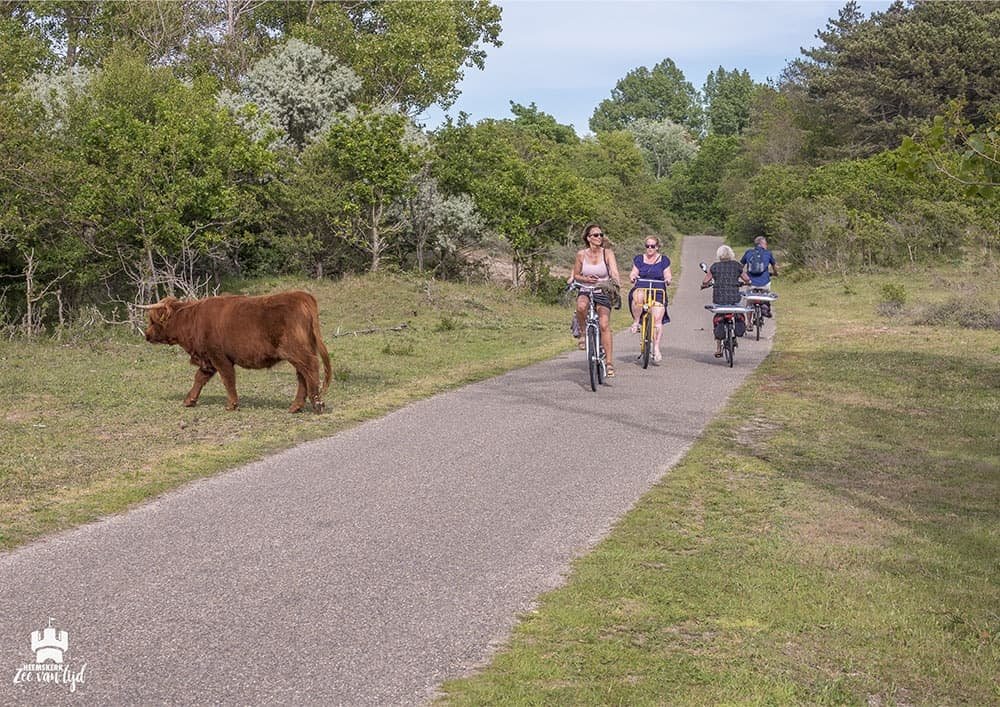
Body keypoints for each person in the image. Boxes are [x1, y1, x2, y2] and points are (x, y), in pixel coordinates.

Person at [572, 223, 622, 377]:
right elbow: (576, 275)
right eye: (595, 235)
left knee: (604, 324)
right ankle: (582, 333)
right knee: (581, 306)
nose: (599, 237)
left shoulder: (607, 253)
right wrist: (585, 278)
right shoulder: (581, 254)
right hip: (586, 288)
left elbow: (613, 271)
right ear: (588, 238)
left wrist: (616, 283)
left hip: (603, 289)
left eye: (601, 234)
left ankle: (609, 362)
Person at [627, 236, 672, 364]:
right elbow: (633, 272)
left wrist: (668, 279)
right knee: (638, 296)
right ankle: (636, 322)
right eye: (647, 246)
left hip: (658, 291)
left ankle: (656, 347)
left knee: (657, 320)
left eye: (652, 246)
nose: (650, 249)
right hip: (642, 288)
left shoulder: (664, 260)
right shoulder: (639, 259)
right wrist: (633, 277)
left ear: (657, 247)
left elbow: (667, 274)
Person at [702, 244, 749, 358]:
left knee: (718, 318)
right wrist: (744, 283)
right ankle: (735, 337)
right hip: (734, 298)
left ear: (719, 255)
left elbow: (705, 281)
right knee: (738, 313)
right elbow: (747, 279)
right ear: (731, 254)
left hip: (719, 299)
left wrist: (705, 285)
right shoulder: (737, 266)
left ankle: (718, 348)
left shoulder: (714, 267)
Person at [740, 236, 778, 317]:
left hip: (751, 283)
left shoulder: (748, 252)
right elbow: (775, 266)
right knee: (766, 294)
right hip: (765, 282)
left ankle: (749, 323)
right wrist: (775, 273)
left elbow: (740, 267)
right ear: (761, 244)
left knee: (749, 301)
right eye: (766, 244)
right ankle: (766, 307)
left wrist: (744, 276)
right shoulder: (768, 253)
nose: (766, 245)